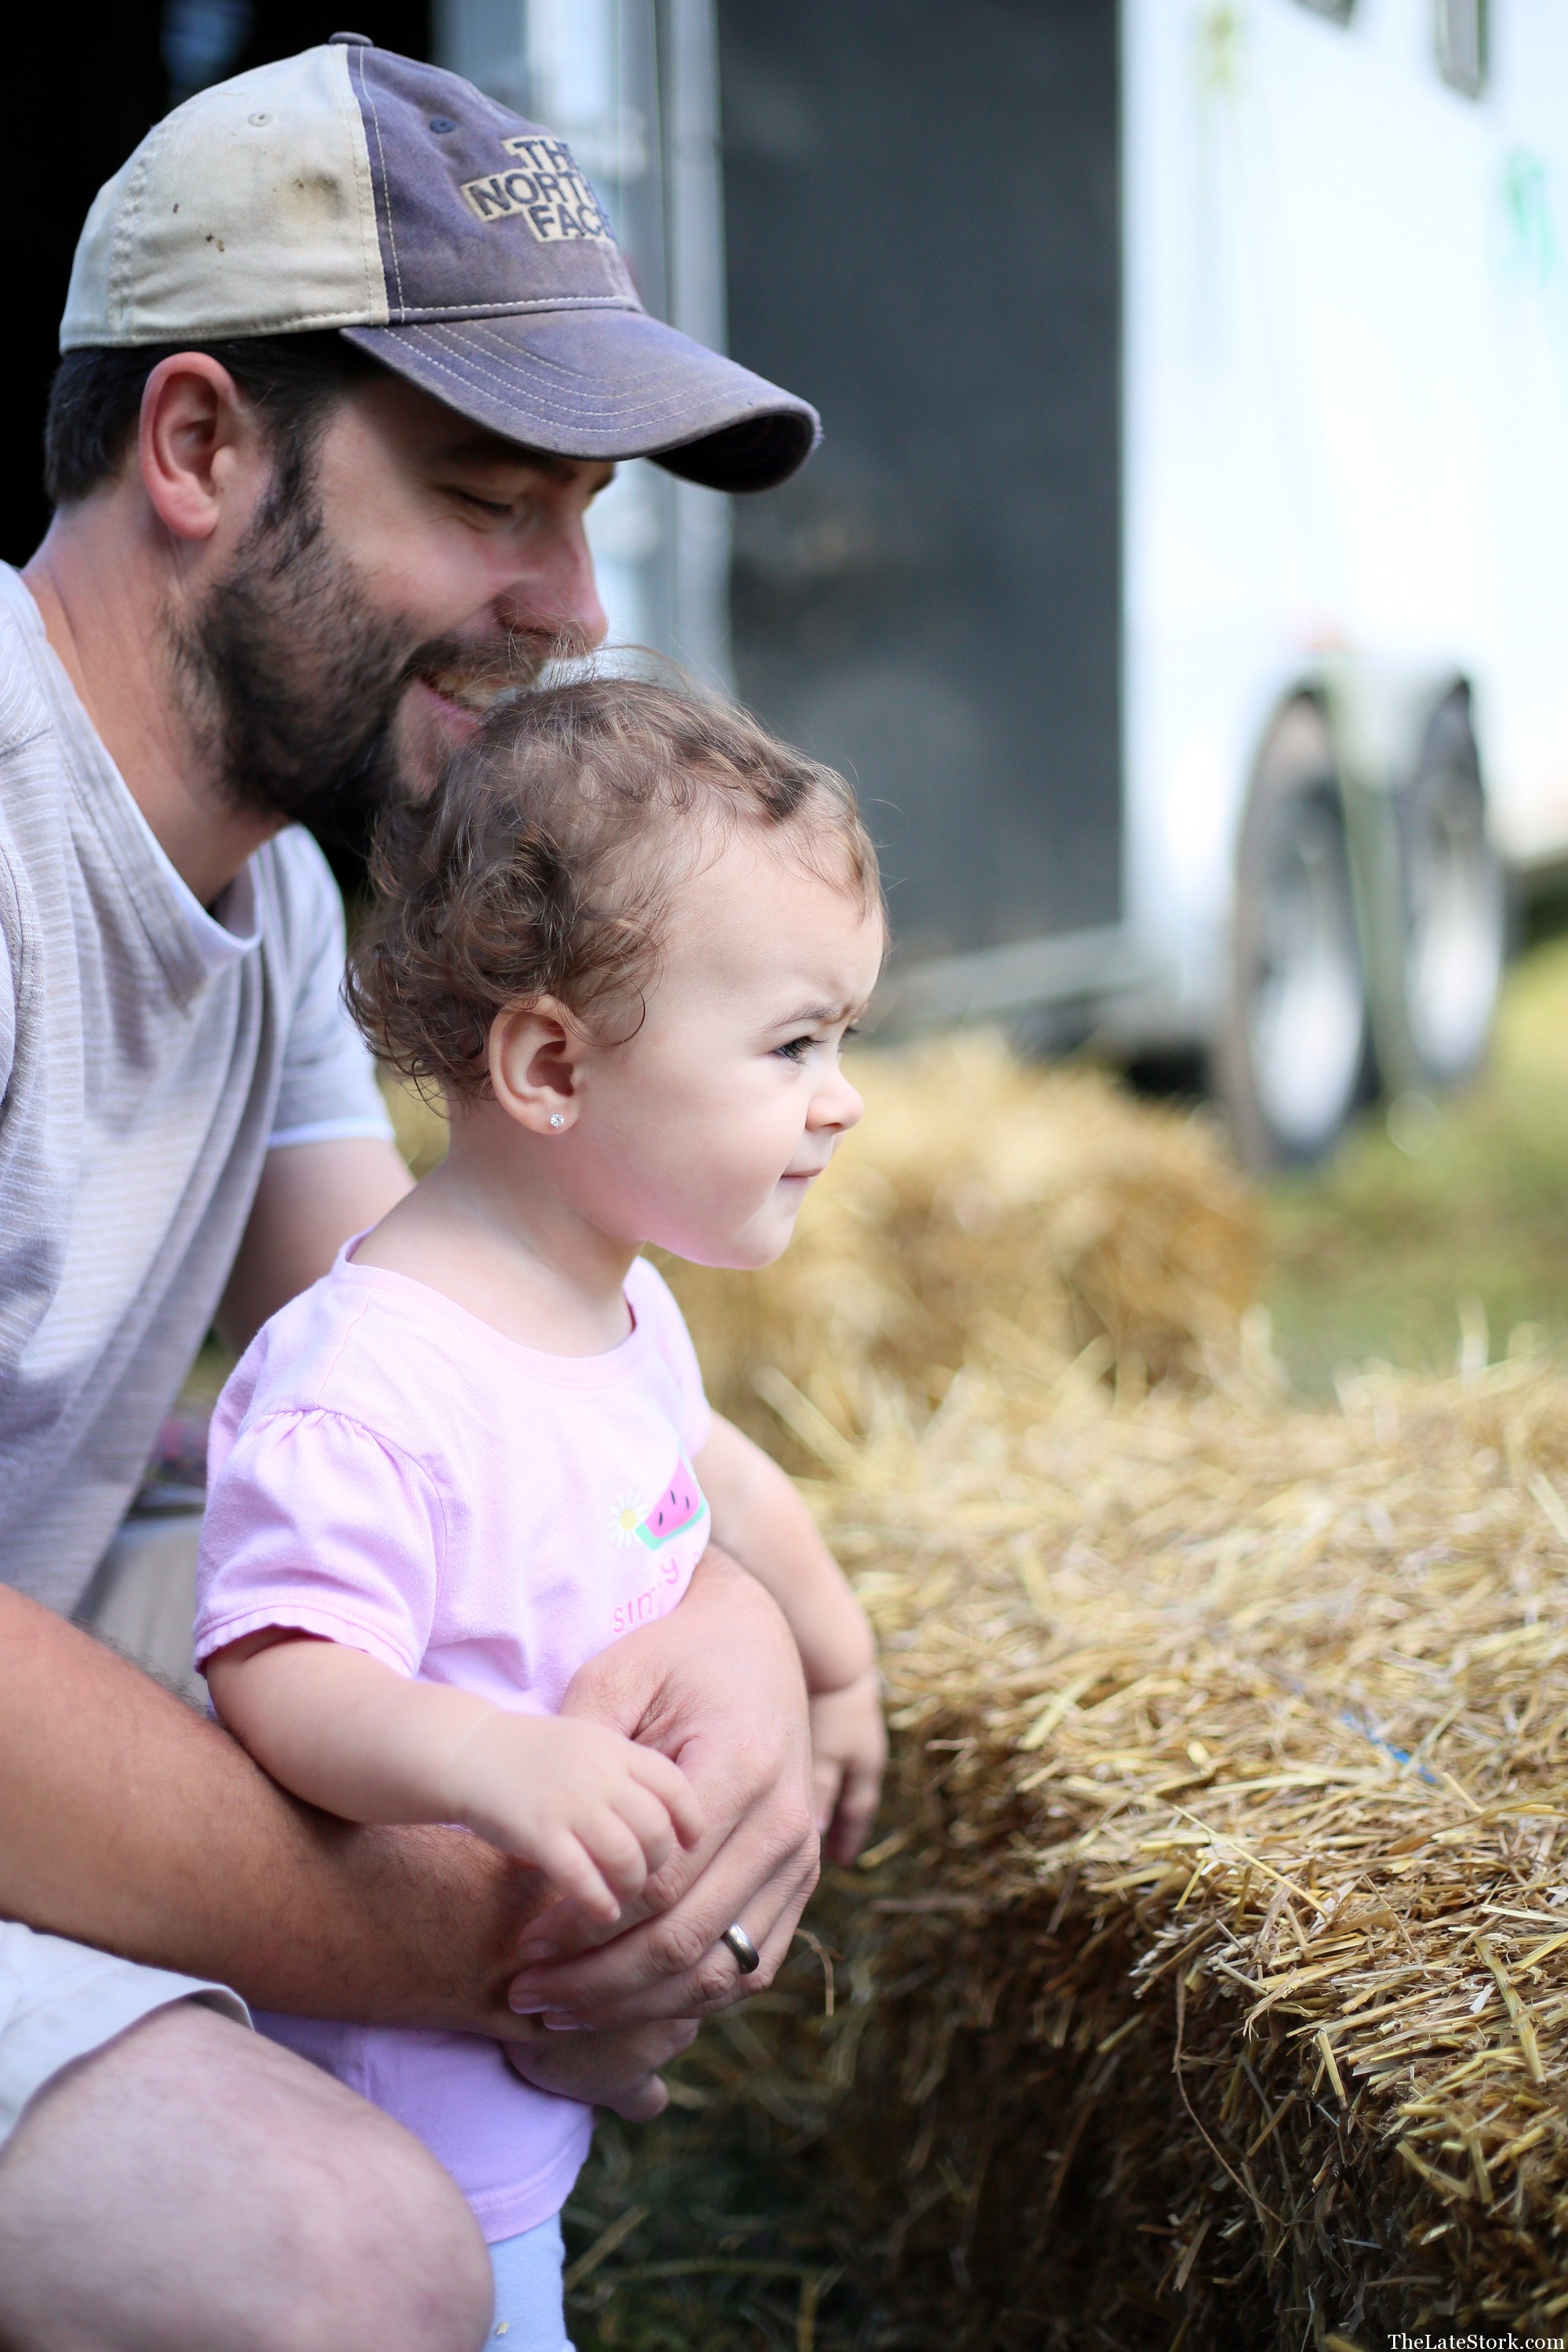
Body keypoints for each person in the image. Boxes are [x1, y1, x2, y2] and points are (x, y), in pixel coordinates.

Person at [0, 36, 832, 2352]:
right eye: (488, 500)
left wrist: (736, 1638)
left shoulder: (270, 894)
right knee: (348, 2262)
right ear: (196, 446)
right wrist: (515, 1948)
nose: (572, 604)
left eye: (583, 514)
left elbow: (463, 1366)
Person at [192, 673, 888, 2343]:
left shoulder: (615, 1303)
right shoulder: (368, 1382)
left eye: (844, 1040)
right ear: (553, 1064)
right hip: (396, 2090)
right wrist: (495, 1763)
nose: (844, 1097)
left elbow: (713, 1472)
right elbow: (280, 1670)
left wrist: (837, 1663)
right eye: (794, 1043)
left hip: (510, 2073)